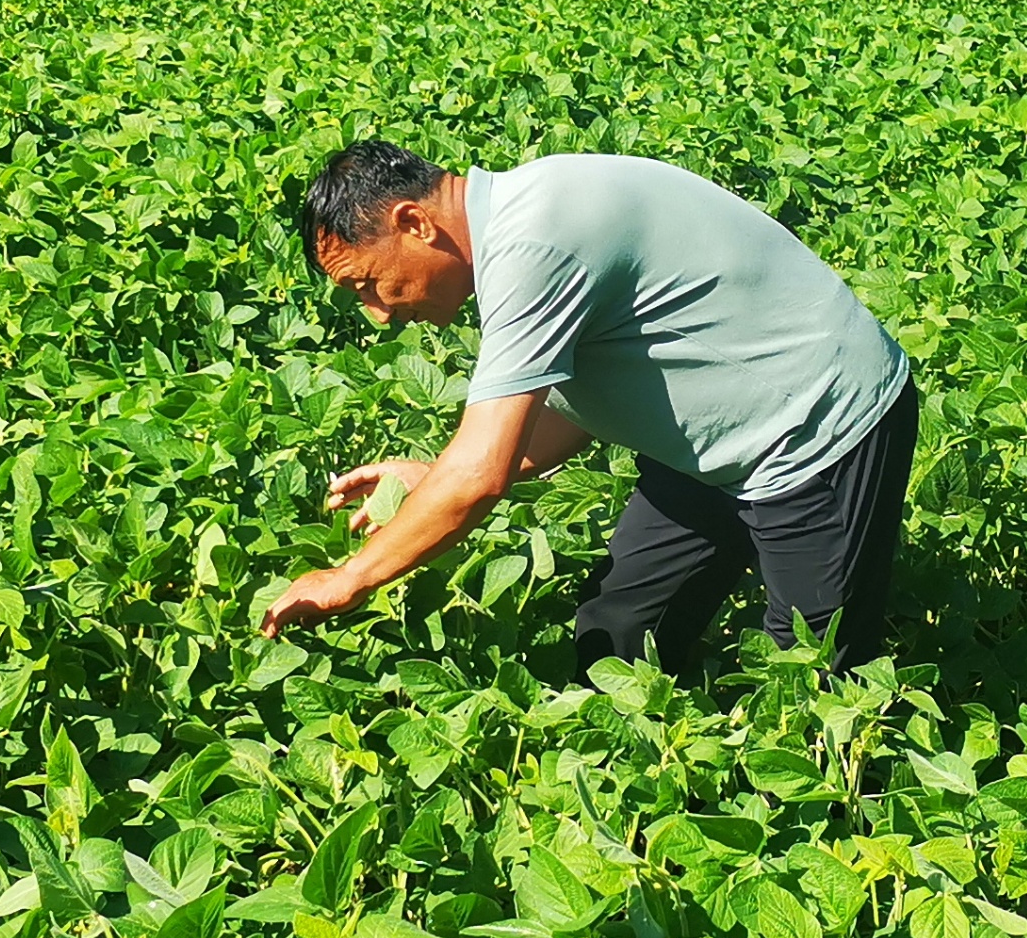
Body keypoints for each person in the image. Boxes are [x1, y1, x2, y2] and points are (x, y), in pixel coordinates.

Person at [261, 139, 920, 675]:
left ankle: (837, 818)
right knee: (623, 634)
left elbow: (479, 476)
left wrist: (348, 578)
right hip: (706, 445)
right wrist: (431, 478)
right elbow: (572, 410)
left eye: (367, 284)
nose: (377, 314)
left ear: (414, 222)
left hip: (815, 429)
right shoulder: (523, 218)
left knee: (811, 677)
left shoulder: (534, 241)